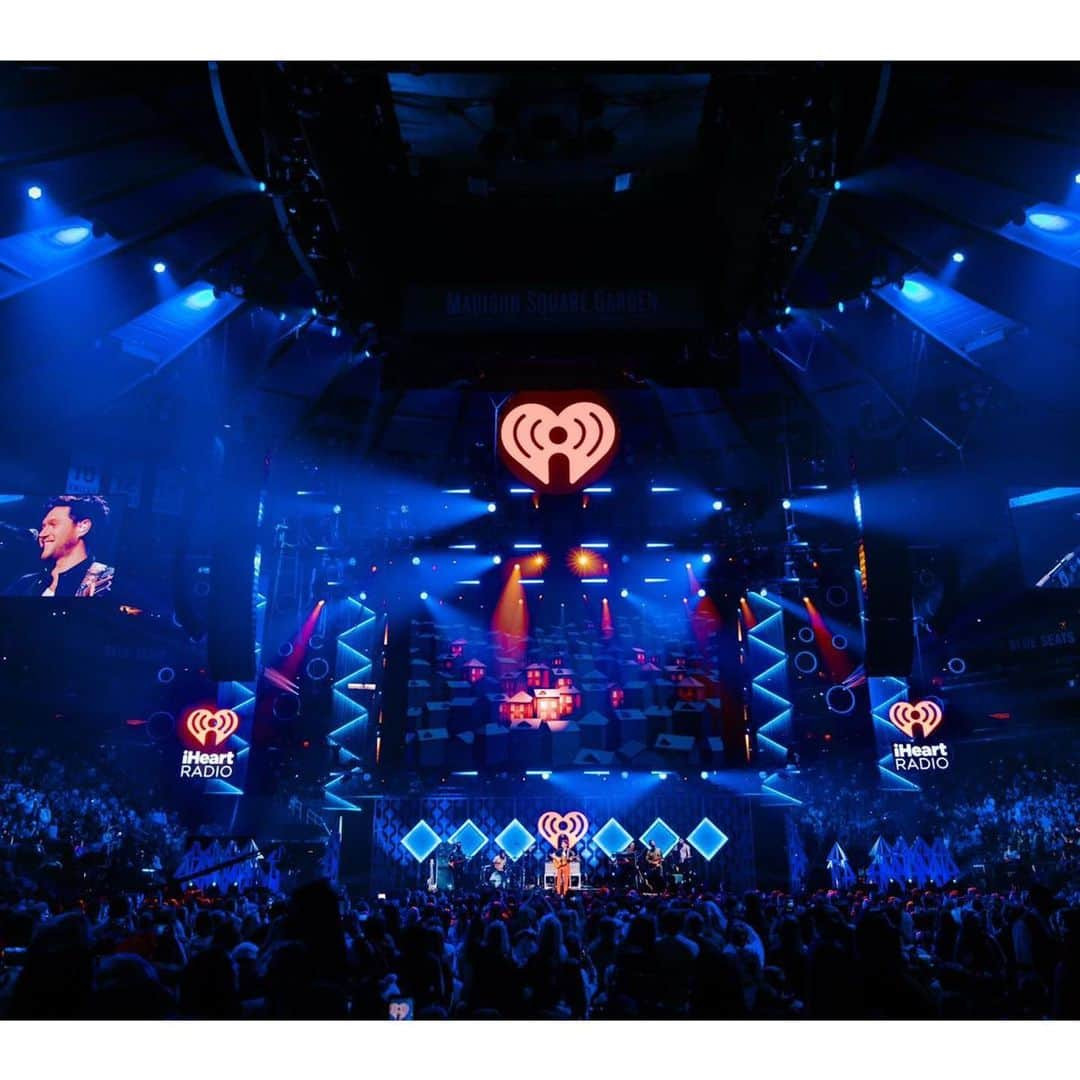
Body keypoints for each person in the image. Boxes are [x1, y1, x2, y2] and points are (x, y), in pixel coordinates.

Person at [3, 495, 114, 598]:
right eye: (43, 527)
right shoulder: (25, 584)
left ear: (82, 527)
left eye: (53, 524)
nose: (42, 534)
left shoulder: (105, 580)